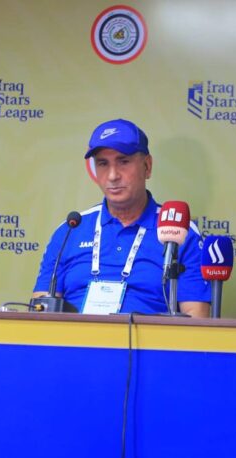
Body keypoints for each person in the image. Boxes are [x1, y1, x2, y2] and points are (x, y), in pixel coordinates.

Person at [33, 119, 211, 317]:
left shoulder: (179, 231)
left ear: (147, 166)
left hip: (146, 337)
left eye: (123, 161)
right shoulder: (71, 230)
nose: (112, 176)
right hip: (74, 336)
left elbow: (196, 318)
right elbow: (41, 312)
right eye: (103, 163)